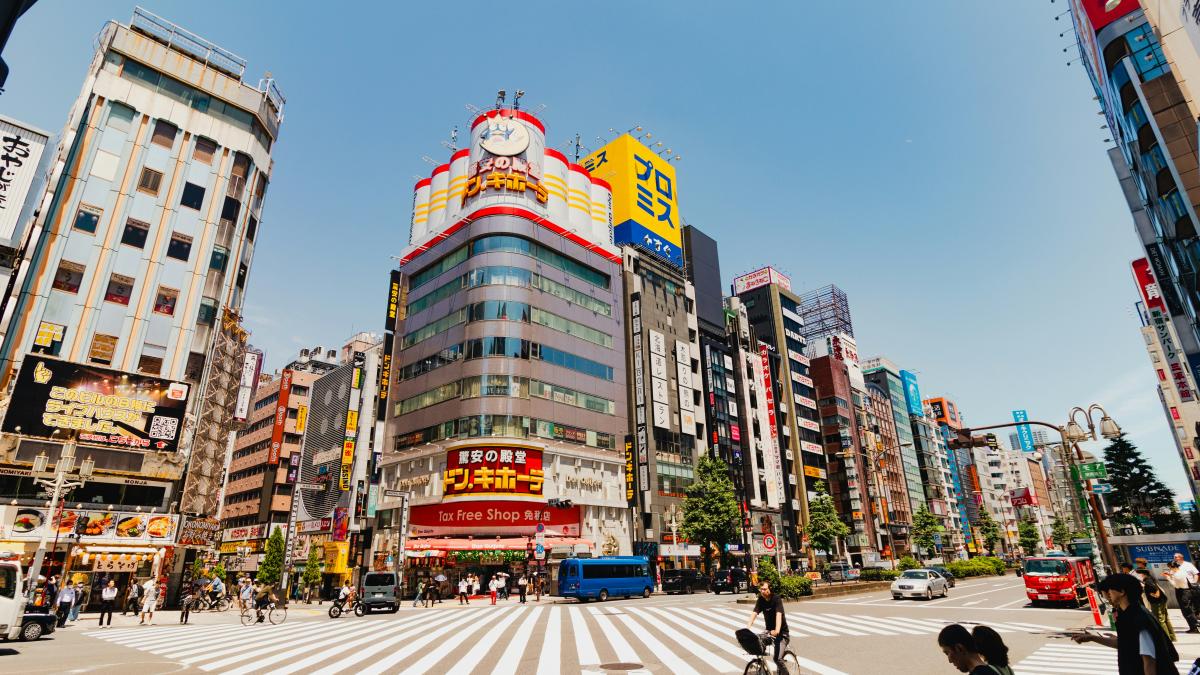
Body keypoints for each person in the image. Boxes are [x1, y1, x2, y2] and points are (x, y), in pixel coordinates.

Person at [1072, 573, 1178, 675]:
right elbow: (1126, 645)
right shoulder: (1130, 614)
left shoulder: (1137, 618)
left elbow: (1149, 660)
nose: (1108, 595)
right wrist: (1092, 638)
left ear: (1122, 592)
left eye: (1110, 591)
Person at [747, 581, 790, 674]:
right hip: (769, 632)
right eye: (761, 589)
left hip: (782, 633)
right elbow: (754, 613)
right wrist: (748, 627)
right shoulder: (761, 600)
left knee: (777, 659)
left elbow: (779, 615)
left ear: (770, 589)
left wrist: (777, 630)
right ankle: (763, 668)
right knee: (758, 646)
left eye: (765, 589)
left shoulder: (776, 599)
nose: (762, 591)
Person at [1164, 554, 1200, 634]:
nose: (1169, 569)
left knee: (1186, 611)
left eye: (1169, 568)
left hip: (1183, 592)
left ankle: (1194, 626)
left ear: (1172, 567)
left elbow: (1176, 585)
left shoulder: (1177, 574)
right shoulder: (1181, 571)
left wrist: (1168, 578)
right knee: (1189, 609)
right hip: (1187, 591)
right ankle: (1194, 626)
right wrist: (1171, 575)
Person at [1145, 577, 1177, 642]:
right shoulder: (1151, 579)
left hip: (1156, 603)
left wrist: (1154, 595)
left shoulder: (1148, 581)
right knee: (1166, 619)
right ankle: (1172, 637)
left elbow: (1156, 590)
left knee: (1160, 620)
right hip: (1161, 601)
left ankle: (1166, 638)